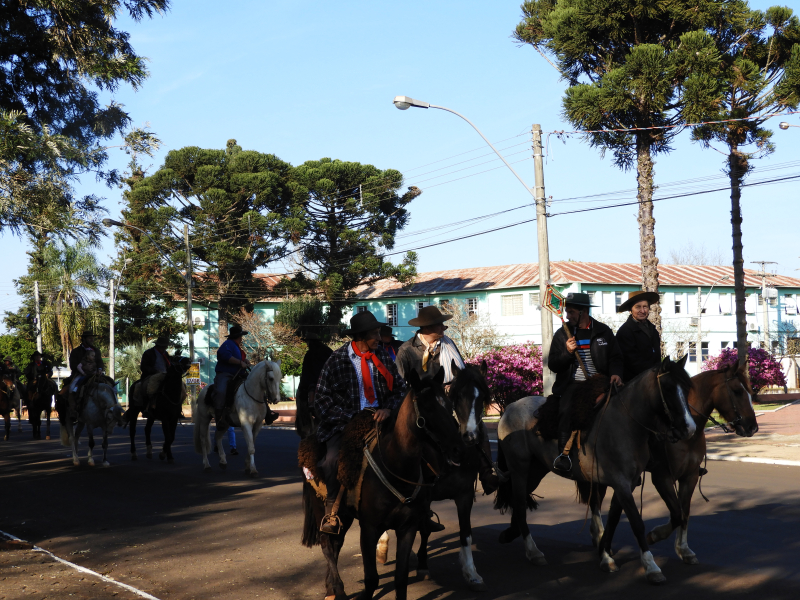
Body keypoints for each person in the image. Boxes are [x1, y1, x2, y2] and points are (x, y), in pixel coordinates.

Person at [314, 310, 407, 534]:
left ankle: (418, 509)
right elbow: (321, 400)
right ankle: (332, 512)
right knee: (331, 460)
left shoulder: (384, 357)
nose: (379, 336)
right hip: (345, 423)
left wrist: (388, 409)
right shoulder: (336, 360)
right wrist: (350, 418)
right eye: (375, 333)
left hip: (380, 419)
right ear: (360, 337)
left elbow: (400, 389)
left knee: (414, 450)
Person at [396, 305, 499, 495]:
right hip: (421, 405)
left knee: (475, 424)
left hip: (447, 402)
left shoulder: (448, 345)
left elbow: (461, 373)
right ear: (427, 328)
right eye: (440, 325)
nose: (444, 329)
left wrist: (455, 385)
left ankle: (486, 473)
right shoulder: (406, 351)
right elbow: (400, 383)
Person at [548, 293, 624, 472]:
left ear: (583, 312)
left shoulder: (603, 331)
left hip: (601, 381)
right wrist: (567, 352)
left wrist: (616, 373)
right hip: (574, 384)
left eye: (572, 312)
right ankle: (563, 455)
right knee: (566, 410)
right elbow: (553, 364)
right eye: (566, 312)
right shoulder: (562, 334)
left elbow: (616, 357)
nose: (567, 316)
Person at [615, 291, 663, 382]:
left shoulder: (653, 330)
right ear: (630, 309)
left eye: (645, 306)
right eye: (638, 307)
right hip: (634, 383)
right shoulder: (625, 331)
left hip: (654, 379)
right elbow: (632, 362)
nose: (642, 311)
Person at [294, 330, 333, 438]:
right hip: (329, 383)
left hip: (315, 383)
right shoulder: (328, 351)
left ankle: (309, 409)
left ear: (310, 342)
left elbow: (306, 374)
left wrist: (303, 388)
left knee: (304, 399)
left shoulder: (310, 354)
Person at [213, 324, 250, 428]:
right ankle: (219, 418)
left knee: (254, 385)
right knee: (220, 391)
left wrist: (244, 361)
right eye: (241, 336)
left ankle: (266, 412)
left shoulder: (236, 346)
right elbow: (225, 356)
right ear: (239, 337)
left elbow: (238, 359)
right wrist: (239, 362)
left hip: (239, 374)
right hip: (225, 374)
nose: (242, 338)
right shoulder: (227, 344)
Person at [67, 331, 103, 418]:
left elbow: (100, 362)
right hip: (81, 374)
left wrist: (99, 369)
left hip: (95, 374)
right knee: (72, 388)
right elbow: (73, 365)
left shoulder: (96, 350)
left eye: (92, 338)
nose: (92, 340)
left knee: (110, 384)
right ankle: (73, 409)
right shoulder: (76, 351)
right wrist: (84, 370)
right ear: (84, 339)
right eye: (90, 338)